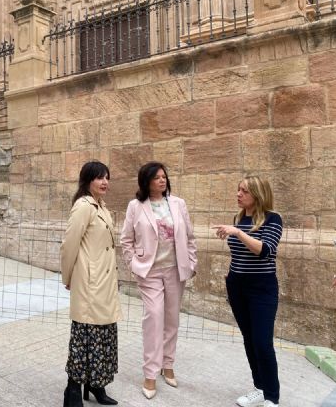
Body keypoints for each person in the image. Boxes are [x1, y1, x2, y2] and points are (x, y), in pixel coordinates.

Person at [120, 162, 197, 399]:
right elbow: (126, 240)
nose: (162, 181)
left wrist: (191, 262)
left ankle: (168, 364)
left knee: (172, 319)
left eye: (164, 177)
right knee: (154, 318)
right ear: (146, 181)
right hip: (150, 271)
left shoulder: (178, 203)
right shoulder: (136, 206)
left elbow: (190, 236)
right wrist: (134, 264)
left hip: (175, 269)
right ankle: (150, 374)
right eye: (156, 178)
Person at [212, 175, 283, 407]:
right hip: (237, 286)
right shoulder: (239, 218)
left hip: (262, 288)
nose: (238, 194)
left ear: (258, 195)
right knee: (249, 339)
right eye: (238, 190)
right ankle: (260, 388)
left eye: (244, 191)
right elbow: (238, 253)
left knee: (262, 342)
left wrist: (238, 233)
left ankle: (272, 396)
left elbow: (264, 251)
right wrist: (231, 274)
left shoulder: (273, 219)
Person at [61, 161, 121, 407]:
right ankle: (73, 391)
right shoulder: (83, 206)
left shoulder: (102, 207)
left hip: (104, 283)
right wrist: (68, 278)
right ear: (87, 181)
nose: (104, 182)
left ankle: (96, 385)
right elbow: (69, 245)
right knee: (85, 337)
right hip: (90, 283)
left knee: (104, 334)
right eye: (99, 177)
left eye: (107, 177)